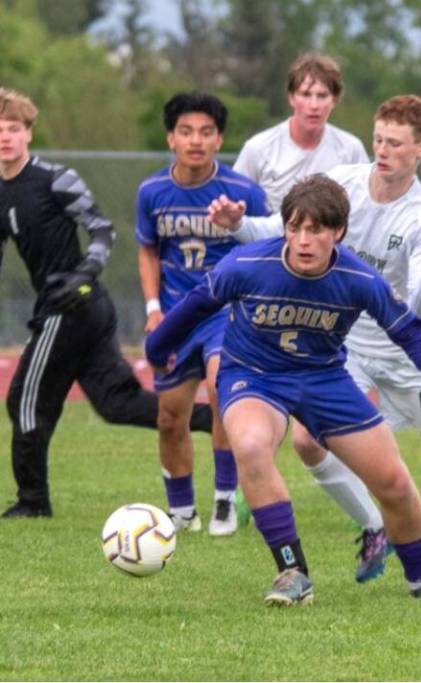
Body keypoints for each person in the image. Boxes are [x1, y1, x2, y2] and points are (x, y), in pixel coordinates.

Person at [209, 95, 421, 590]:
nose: (383, 151)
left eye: (395, 143)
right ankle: (374, 526)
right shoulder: (346, 183)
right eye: (378, 140)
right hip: (347, 345)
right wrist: (238, 225)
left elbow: (412, 310)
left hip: (405, 350)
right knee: (308, 441)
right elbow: (286, 228)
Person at [147, 175, 421, 605]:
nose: (302, 240)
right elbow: (194, 307)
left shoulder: (358, 278)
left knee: (393, 482)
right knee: (253, 446)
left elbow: (414, 335)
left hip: (324, 379)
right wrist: (157, 348)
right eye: (294, 228)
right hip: (253, 374)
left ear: (338, 232)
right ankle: (292, 572)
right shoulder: (246, 265)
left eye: (315, 230)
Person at [0, 87, 211, 519]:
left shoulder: (54, 178)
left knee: (24, 400)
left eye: (15, 128)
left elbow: (103, 230)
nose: (6, 137)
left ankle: (33, 502)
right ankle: (212, 421)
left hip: (73, 307)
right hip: (79, 311)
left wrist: (84, 274)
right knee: (115, 404)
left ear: (29, 134)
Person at [135, 92, 268, 536]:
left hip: (227, 314)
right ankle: (181, 511)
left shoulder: (244, 193)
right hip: (176, 317)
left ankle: (226, 502)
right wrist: (154, 309)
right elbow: (148, 249)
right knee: (170, 416)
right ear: (171, 138)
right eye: (187, 131)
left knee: (221, 392)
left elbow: (267, 246)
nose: (196, 140)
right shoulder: (152, 192)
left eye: (206, 132)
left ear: (220, 139)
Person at [234, 52, 369, 214]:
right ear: (291, 97)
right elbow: (235, 206)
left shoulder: (351, 150)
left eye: (322, 95)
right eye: (305, 94)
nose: (314, 105)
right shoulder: (258, 148)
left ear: (334, 100)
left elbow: (365, 209)